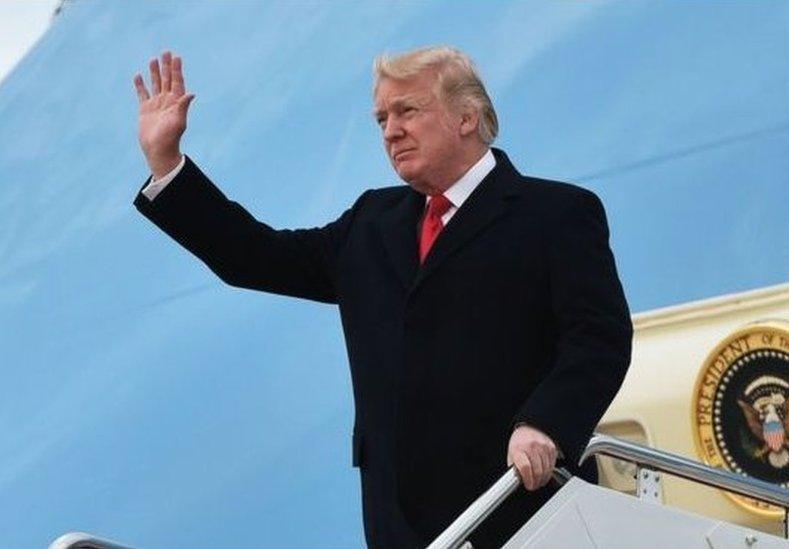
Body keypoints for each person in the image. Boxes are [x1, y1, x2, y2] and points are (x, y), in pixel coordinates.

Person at [132, 46, 632, 547]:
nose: (390, 131)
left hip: (521, 508)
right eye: (381, 118)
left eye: (407, 111)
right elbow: (254, 257)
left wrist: (544, 425)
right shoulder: (372, 222)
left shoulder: (555, 214)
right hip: (400, 526)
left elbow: (599, 338)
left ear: (466, 117)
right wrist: (167, 163)